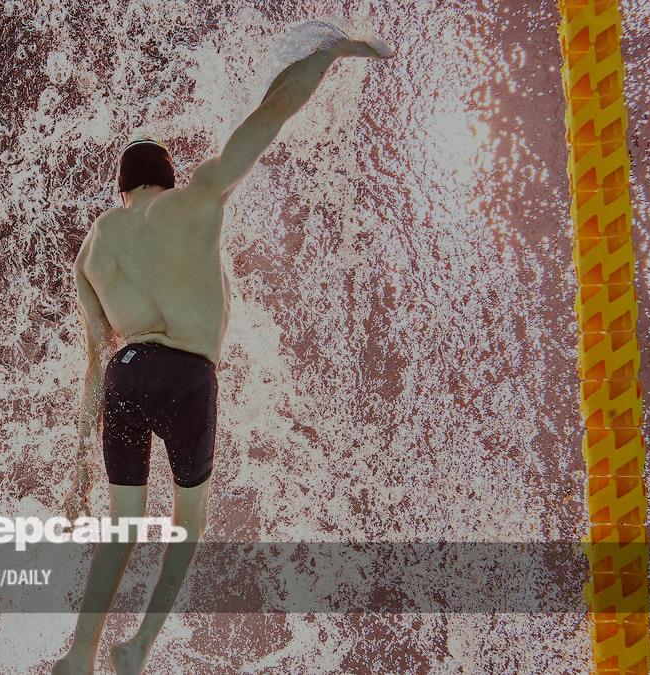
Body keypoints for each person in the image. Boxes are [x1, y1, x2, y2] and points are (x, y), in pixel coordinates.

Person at [53, 32, 395, 675]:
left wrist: (78, 470)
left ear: (122, 188)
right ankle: (138, 646)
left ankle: (79, 652)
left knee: (123, 525)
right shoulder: (198, 195)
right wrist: (330, 53)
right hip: (187, 373)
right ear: (167, 176)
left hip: (126, 376)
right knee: (189, 521)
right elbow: (271, 114)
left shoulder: (93, 249)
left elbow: (95, 362)